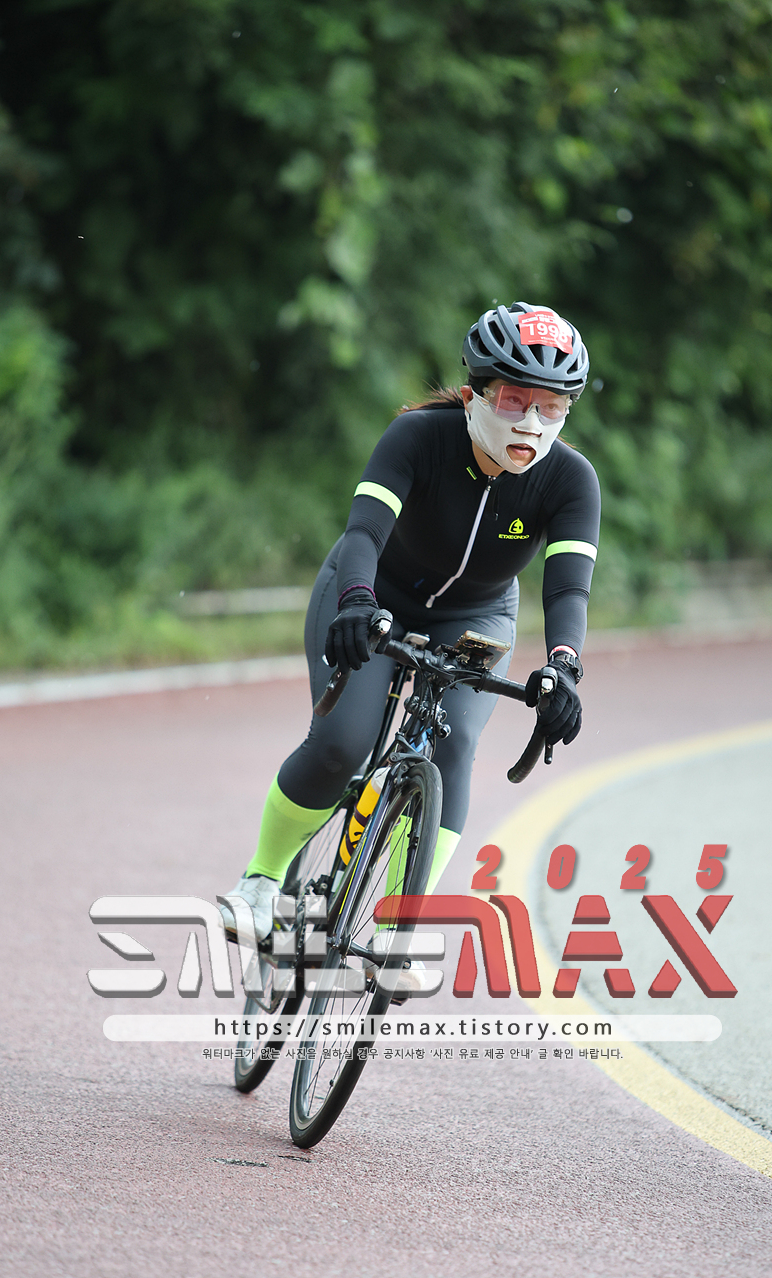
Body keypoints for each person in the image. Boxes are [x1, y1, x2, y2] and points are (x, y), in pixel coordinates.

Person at [218, 301, 601, 940]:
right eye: (514, 399)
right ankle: (260, 881)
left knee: (455, 743)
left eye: (551, 406)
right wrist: (356, 602)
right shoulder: (420, 437)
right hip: (373, 592)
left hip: (478, 613)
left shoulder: (570, 481)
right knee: (342, 744)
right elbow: (364, 533)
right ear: (476, 393)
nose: (531, 422)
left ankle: (397, 925)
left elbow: (568, 591)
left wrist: (564, 666)